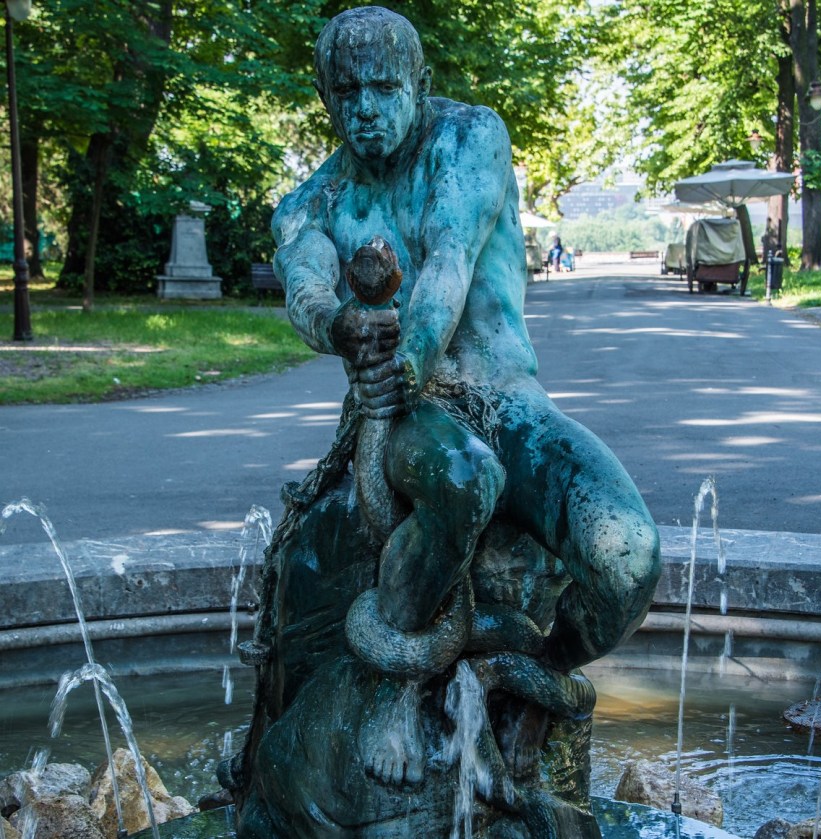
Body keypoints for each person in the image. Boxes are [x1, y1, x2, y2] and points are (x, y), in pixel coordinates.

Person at [271, 6, 659, 786]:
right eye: (347, 92)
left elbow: (449, 259)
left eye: (384, 87)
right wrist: (342, 324)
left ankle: (534, 672)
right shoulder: (313, 201)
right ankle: (396, 685)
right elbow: (303, 279)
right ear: (325, 96)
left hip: (509, 401)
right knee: (464, 477)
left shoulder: (470, 139)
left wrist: (410, 354)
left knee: (630, 556)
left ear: (418, 83)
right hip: (408, 418)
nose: (365, 108)